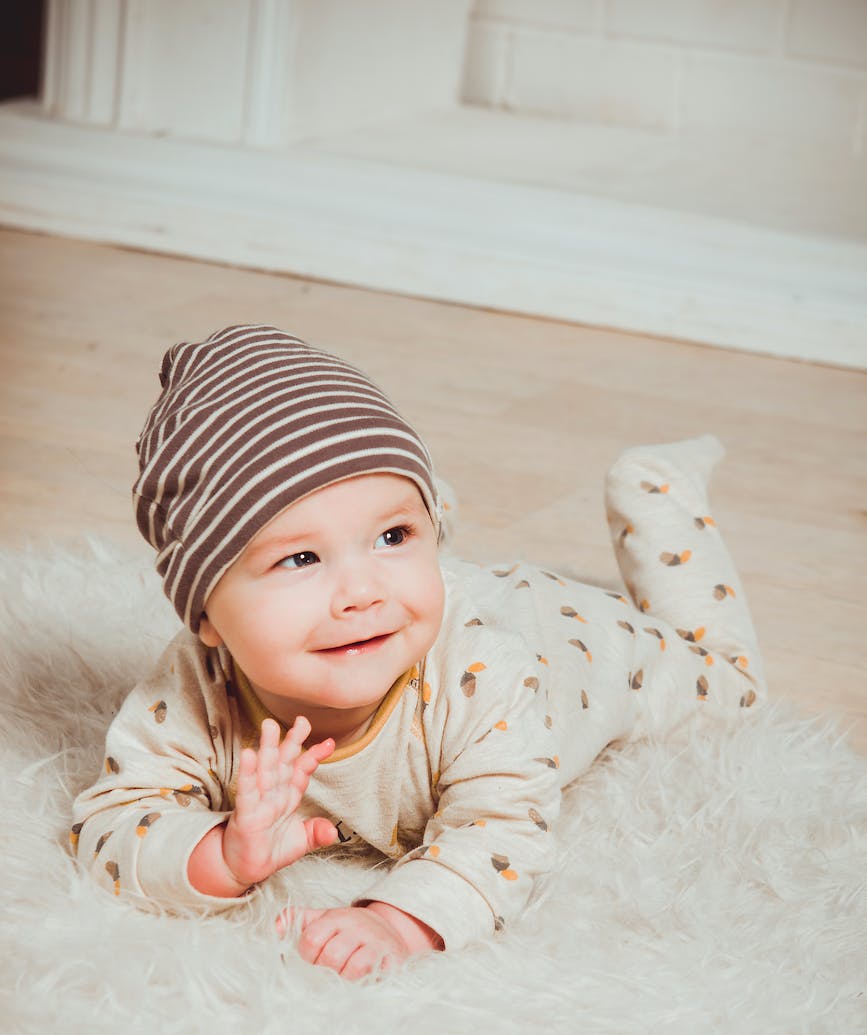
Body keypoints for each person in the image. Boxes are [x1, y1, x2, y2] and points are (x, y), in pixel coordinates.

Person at [72, 324, 765, 980]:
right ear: (205, 616)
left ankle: (654, 492)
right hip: (442, 602)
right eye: (301, 558)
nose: (360, 593)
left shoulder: (485, 676)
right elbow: (111, 825)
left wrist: (398, 923)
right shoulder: (194, 689)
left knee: (728, 680)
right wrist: (218, 853)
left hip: (566, 638)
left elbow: (500, 831)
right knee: (404, 578)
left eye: (393, 536)